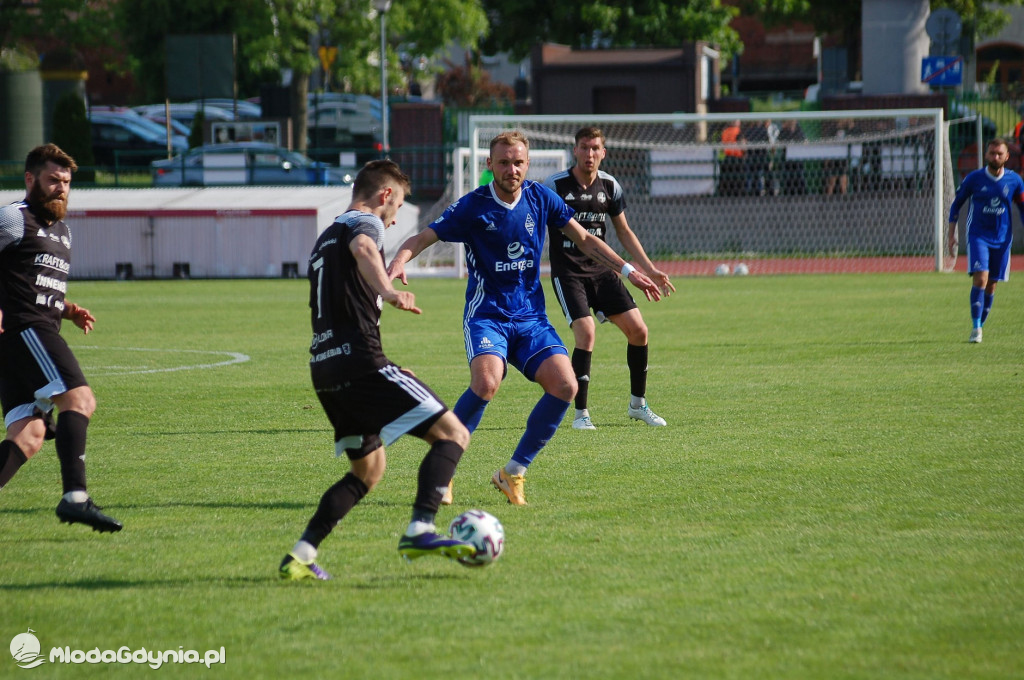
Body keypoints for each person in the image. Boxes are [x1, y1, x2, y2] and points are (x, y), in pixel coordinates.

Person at [387, 131, 661, 506]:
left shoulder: (540, 197)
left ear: (527, 165)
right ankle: (443, 470)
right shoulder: (473, 206)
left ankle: (513, 472)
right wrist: (399, 262)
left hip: (531, 318)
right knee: (486, 383)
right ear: (489, 166)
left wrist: (628, 271)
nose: (511, 169)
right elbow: (423, 237)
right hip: (488, 316)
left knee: (566, 386)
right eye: (503, 162)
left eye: (518, 162)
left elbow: (585, 239)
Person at [279, 160, 476, 580]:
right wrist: (389, 291)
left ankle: (301, 554)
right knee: (454, 434)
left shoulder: (325, 236)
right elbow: (366, 250)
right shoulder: (364, 223)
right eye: (399, 204)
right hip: (361, 361)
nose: (396, 214)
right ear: (385, 195)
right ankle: (421, 529)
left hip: (325, 369)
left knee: (368, 470)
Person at [0, 143, 122, 532]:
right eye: (53, 180)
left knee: (30, 434)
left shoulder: (63, 232)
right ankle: (76, 499)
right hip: (25, 329)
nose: (61, 188)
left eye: (67, 182)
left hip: (33, 330)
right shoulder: (13, 218)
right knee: (79, 398)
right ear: (30, 179)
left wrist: (68, 309)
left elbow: (35, 281)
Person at [543, 127, 675, 431]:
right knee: (586, 333)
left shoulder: (610, 186)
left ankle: (638, 405)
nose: (589, 154)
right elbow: (540, 225)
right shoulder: (556, 185)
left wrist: (649, 268)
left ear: (603, 152)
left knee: (639, 331)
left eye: (595, 149)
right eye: (584, 148)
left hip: (603, 271)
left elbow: (624, 232)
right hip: (569, 273)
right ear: (574, 151)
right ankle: (581, 415)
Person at [947, 138, 1024, 344]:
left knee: (991, 285)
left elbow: (1022, 208)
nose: (995, 157)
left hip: (1003, 239)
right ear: (986, 155)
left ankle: (981, 323)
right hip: (978, 236)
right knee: (980, 278)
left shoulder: (1015, 181)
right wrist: (950, 234)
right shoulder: (974, 179)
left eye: (999, 154)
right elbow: (956, 205)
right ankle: (976, 328)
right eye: (992, 153)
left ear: (1007, 157)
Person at [777, 119, 807, 195]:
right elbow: (780, 142)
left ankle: (802, 193)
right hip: (787, 158)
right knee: (788, 177)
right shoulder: (784, 131)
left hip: (797, 156)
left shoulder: (798, 130)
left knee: (799, 175)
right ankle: (788, 193)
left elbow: (804, 141)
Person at [719, 120, 745, 196]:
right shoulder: (738, 131)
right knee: (738, 178)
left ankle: (726, 193)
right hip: (737, 157)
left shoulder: (725, 131)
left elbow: (722, 146)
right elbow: (743, 144)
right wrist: (744, 153)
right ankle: (738, 194)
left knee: (727, 179)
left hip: (727, 157)